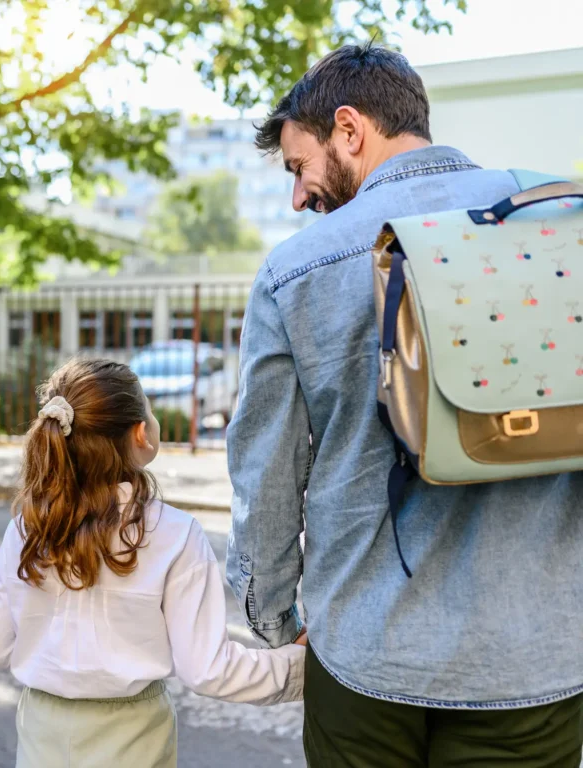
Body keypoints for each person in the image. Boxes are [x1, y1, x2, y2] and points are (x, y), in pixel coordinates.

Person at [227, 42, 583, 766]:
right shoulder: (561, 224)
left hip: (367, 652)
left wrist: (274, 617)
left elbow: (265, 473)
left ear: (350, 130)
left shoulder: (296, 270)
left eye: (299, 167)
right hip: (536, 656)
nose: (298, 197)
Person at [0, 358, 306, 768]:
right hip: (135, 735)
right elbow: (208, 669)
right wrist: (299, 667)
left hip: (43, 729)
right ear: (141, 433)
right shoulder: (175, 534)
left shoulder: (30, 528)